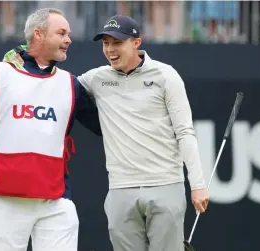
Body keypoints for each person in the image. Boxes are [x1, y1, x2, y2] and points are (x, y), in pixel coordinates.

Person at [0, 8, 101, 251]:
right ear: (38, 35)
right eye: (61, 33)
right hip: (4, 199)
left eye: (68, 34)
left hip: (56, 202)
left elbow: (103, 126)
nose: (68, 39)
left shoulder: (70, 83)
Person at [77, 15, 210, 251]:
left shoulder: (166, 75)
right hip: (120, 189)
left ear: (136, 42)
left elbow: (185, 132)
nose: (110, 50)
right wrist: (23, 63)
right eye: (105, 44)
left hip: (166, 184)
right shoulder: (97, 78)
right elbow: (57, 87)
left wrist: (197, 185)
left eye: (117, 43)